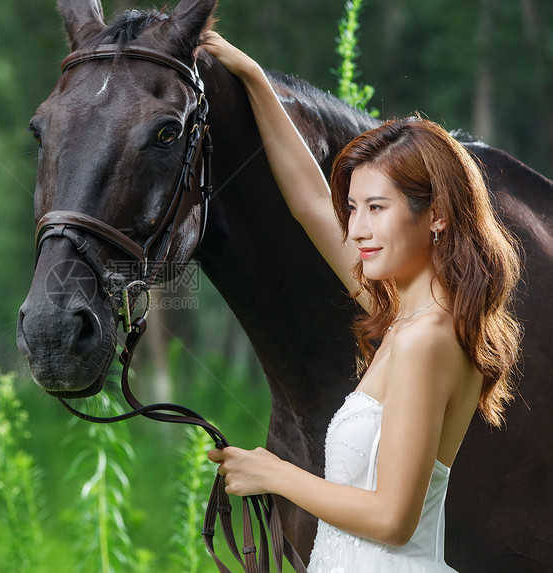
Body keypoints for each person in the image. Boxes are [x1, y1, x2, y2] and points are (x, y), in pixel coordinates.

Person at [202, 31, 522, 572]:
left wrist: (275, 474)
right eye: (353, 208)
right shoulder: (405, 315)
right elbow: (307, 200)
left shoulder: (426, 338)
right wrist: (254, 78)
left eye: (377, 207)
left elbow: (395, 519)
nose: (358, 228)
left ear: (436, 215)